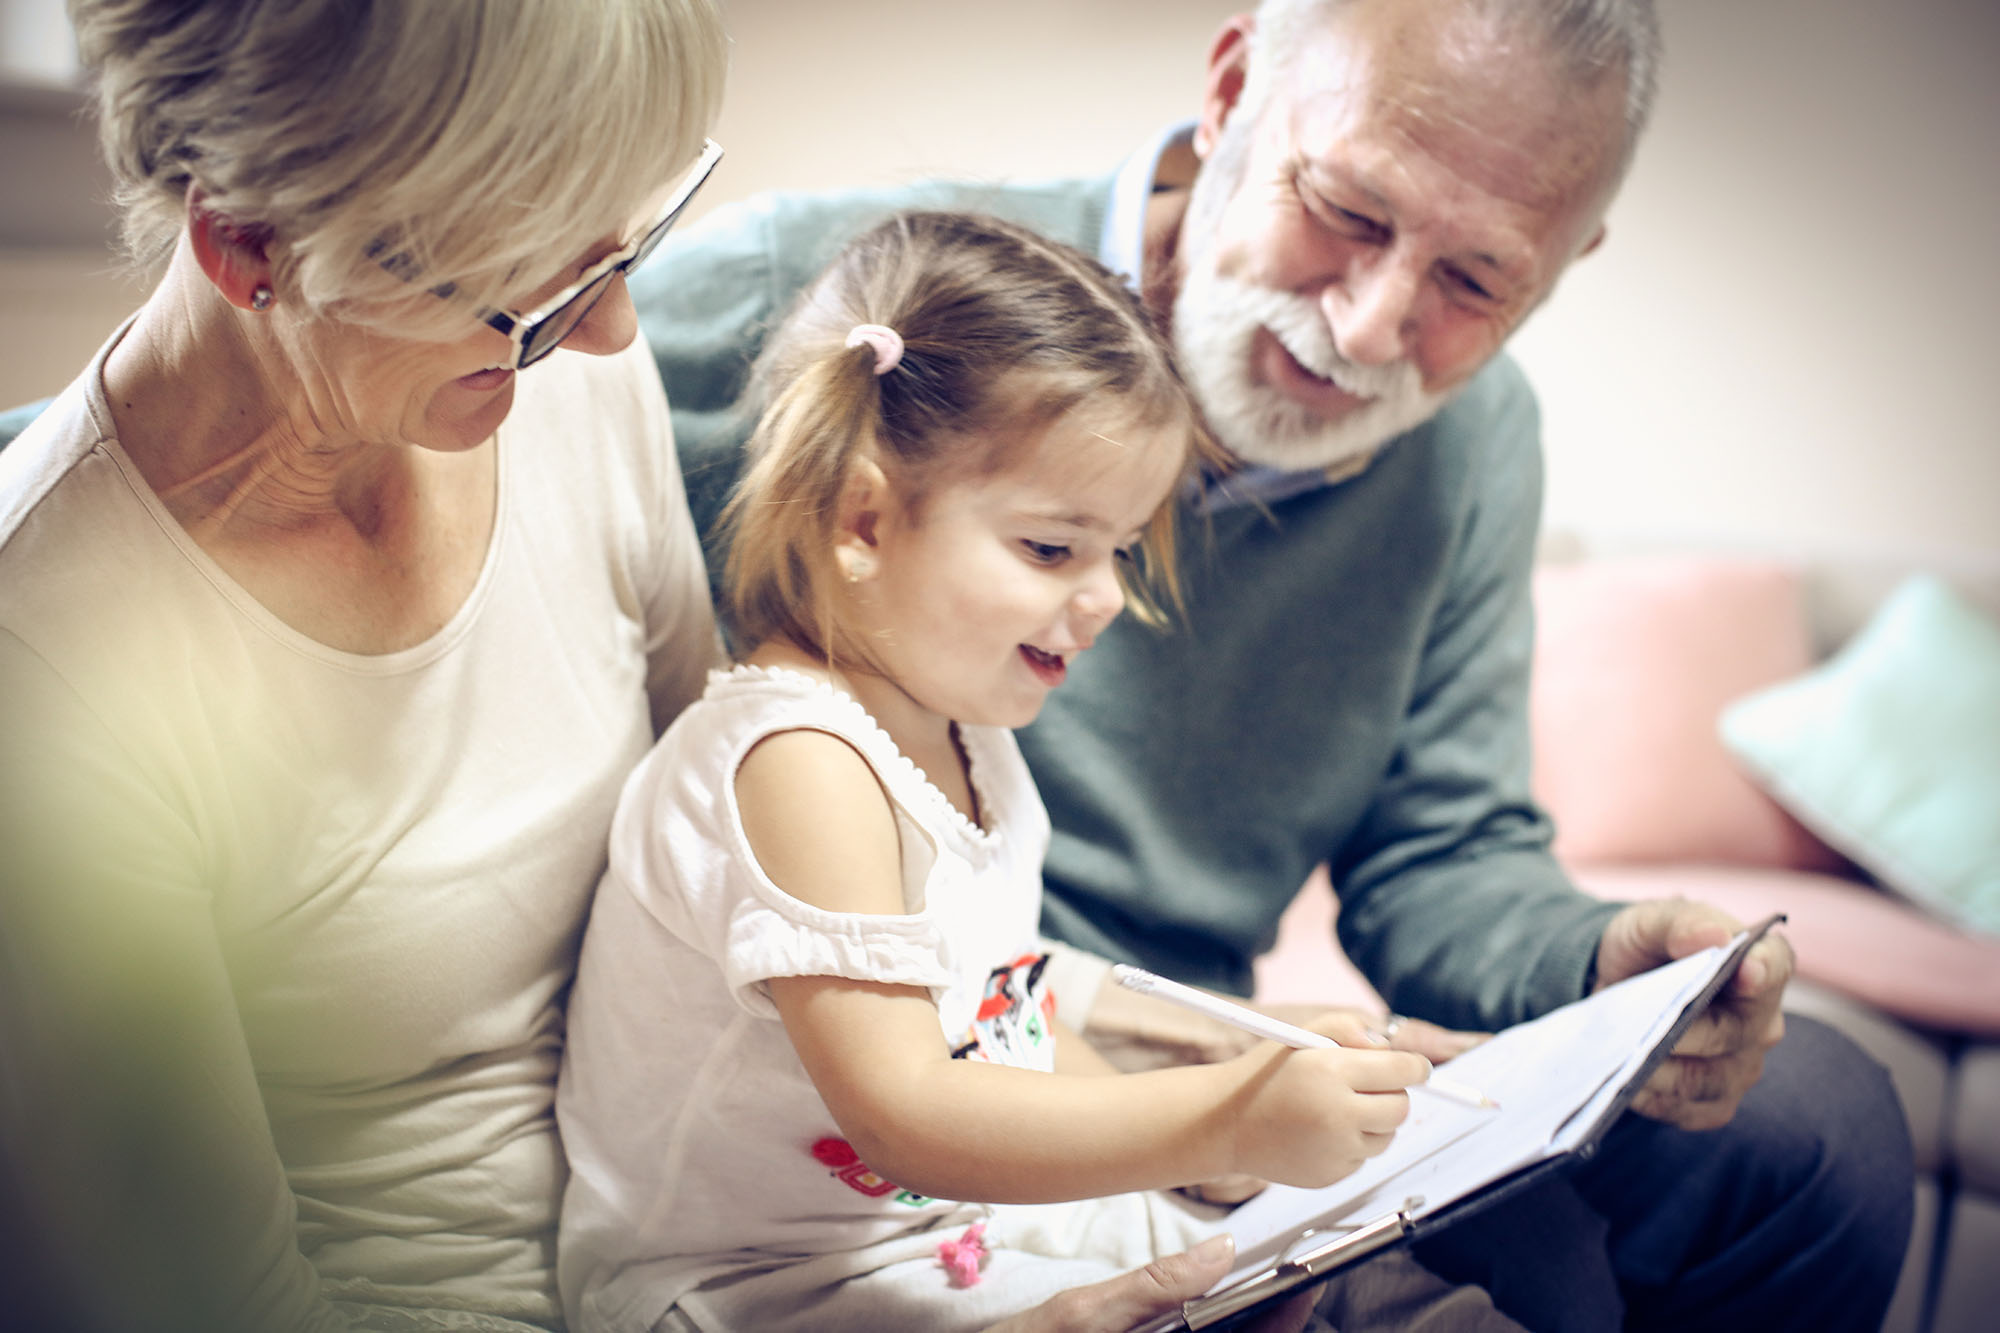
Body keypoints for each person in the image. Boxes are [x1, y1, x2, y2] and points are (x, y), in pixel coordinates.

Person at [0, 5, 1409, 1332]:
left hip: (830, 1238)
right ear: (250, 246)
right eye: (530, 288)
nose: (615, 334)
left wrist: (1218, 1048)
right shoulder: (52, 664)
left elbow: (812, 918)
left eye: (624, 249)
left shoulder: (560, 387)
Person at [632, 1, 1916, 1329]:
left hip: (1113, 1050)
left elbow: (1443, 854)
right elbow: (461, 368)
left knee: (1815, 1126)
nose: (1370, 327)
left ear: (1567, 264)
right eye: (1351, 211)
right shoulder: (856, 305)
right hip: (911, 1102)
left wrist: (1600, 963)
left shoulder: (1472, 450)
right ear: (1234, 87)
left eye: (1476, 280)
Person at [554, 208, 1523, 1333]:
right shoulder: (797, 762)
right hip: (762, 1291)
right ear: (864, 515)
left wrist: (1197, 1140)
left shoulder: (961, 734)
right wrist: (1220, 1119)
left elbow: (999, 1012)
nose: (1106, 596)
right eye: (1052, 548)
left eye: (1116, 549)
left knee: (1375, 1283)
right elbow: (903, 1113)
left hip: (946, 1235)